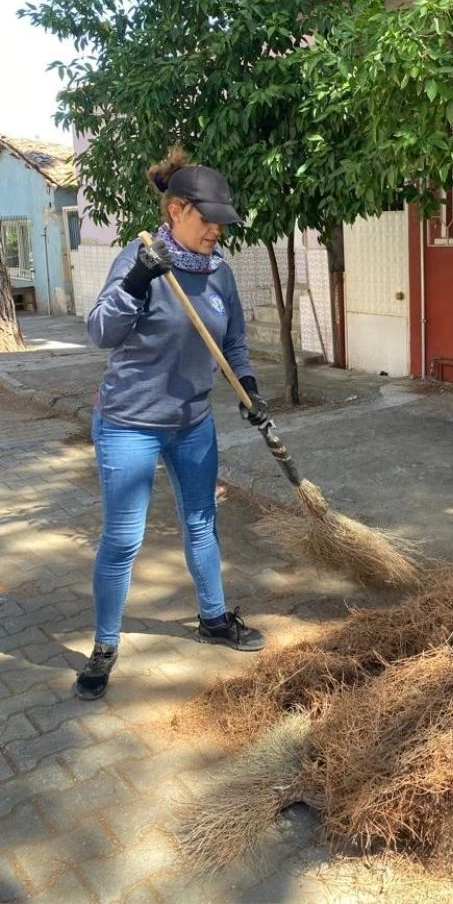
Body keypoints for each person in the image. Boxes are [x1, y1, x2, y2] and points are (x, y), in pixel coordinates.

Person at [77, 147, 273, 701]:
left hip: (192, 422)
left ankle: (213, 618)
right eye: (207, 219)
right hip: (129, 424)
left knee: (202, 522)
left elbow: (233, 341)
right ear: (176, 211)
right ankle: (105, 646)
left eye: (221, 221)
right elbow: (100, 333)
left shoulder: (219, 272)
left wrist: (248, 386)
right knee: (123, 539)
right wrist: (138, 280)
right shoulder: (138, 258)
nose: (216, 230)